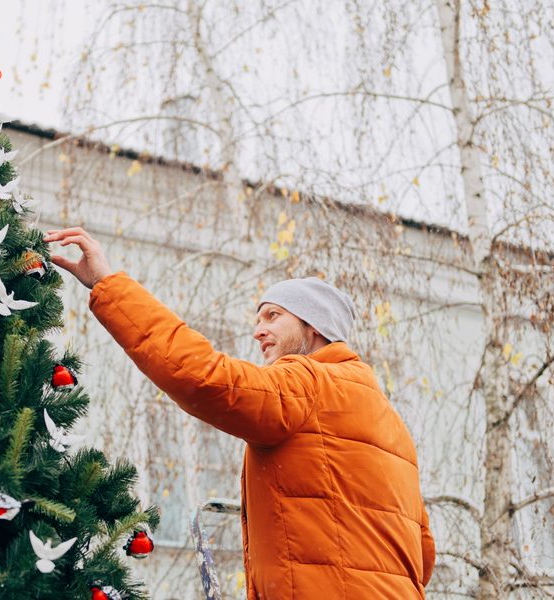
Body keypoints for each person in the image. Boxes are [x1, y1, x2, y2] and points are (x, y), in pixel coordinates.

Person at [44, 227, 436, 599]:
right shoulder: (391, 424)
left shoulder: (310, 383)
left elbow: (203, 378)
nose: (258, 330)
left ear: (314, 327)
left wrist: (108, 285)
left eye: (273, 316)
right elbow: (423, 553)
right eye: (258, 317)